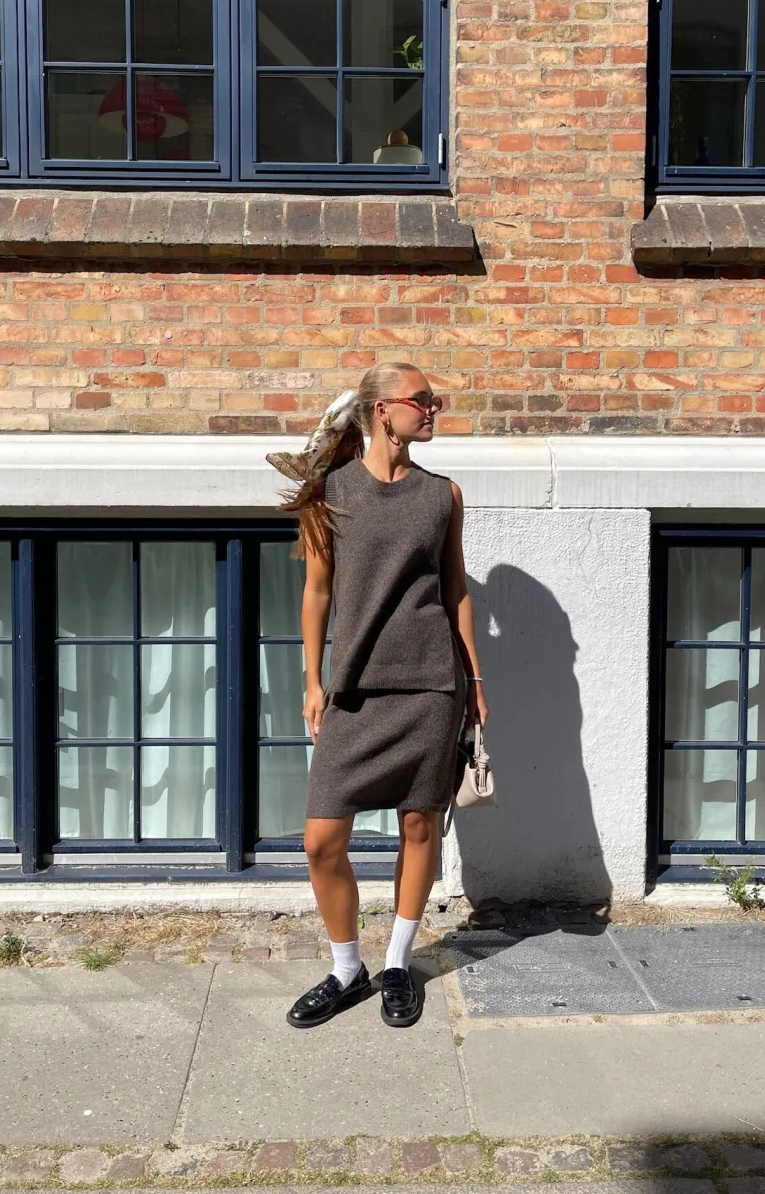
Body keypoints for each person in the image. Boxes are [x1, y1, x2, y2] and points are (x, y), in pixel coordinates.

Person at [267, 361, 488, 1029]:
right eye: (421, 400)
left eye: (435, 399)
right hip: (355, 691)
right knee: (320, 840)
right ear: (380, 409)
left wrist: (476, 683)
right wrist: (312, 681)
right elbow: (317, 591)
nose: (433, 409)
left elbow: (456, 589)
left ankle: (395, 962)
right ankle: (345, 969)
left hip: (430, 686)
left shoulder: (442, 495)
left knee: (418, 825)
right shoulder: (330, 492)